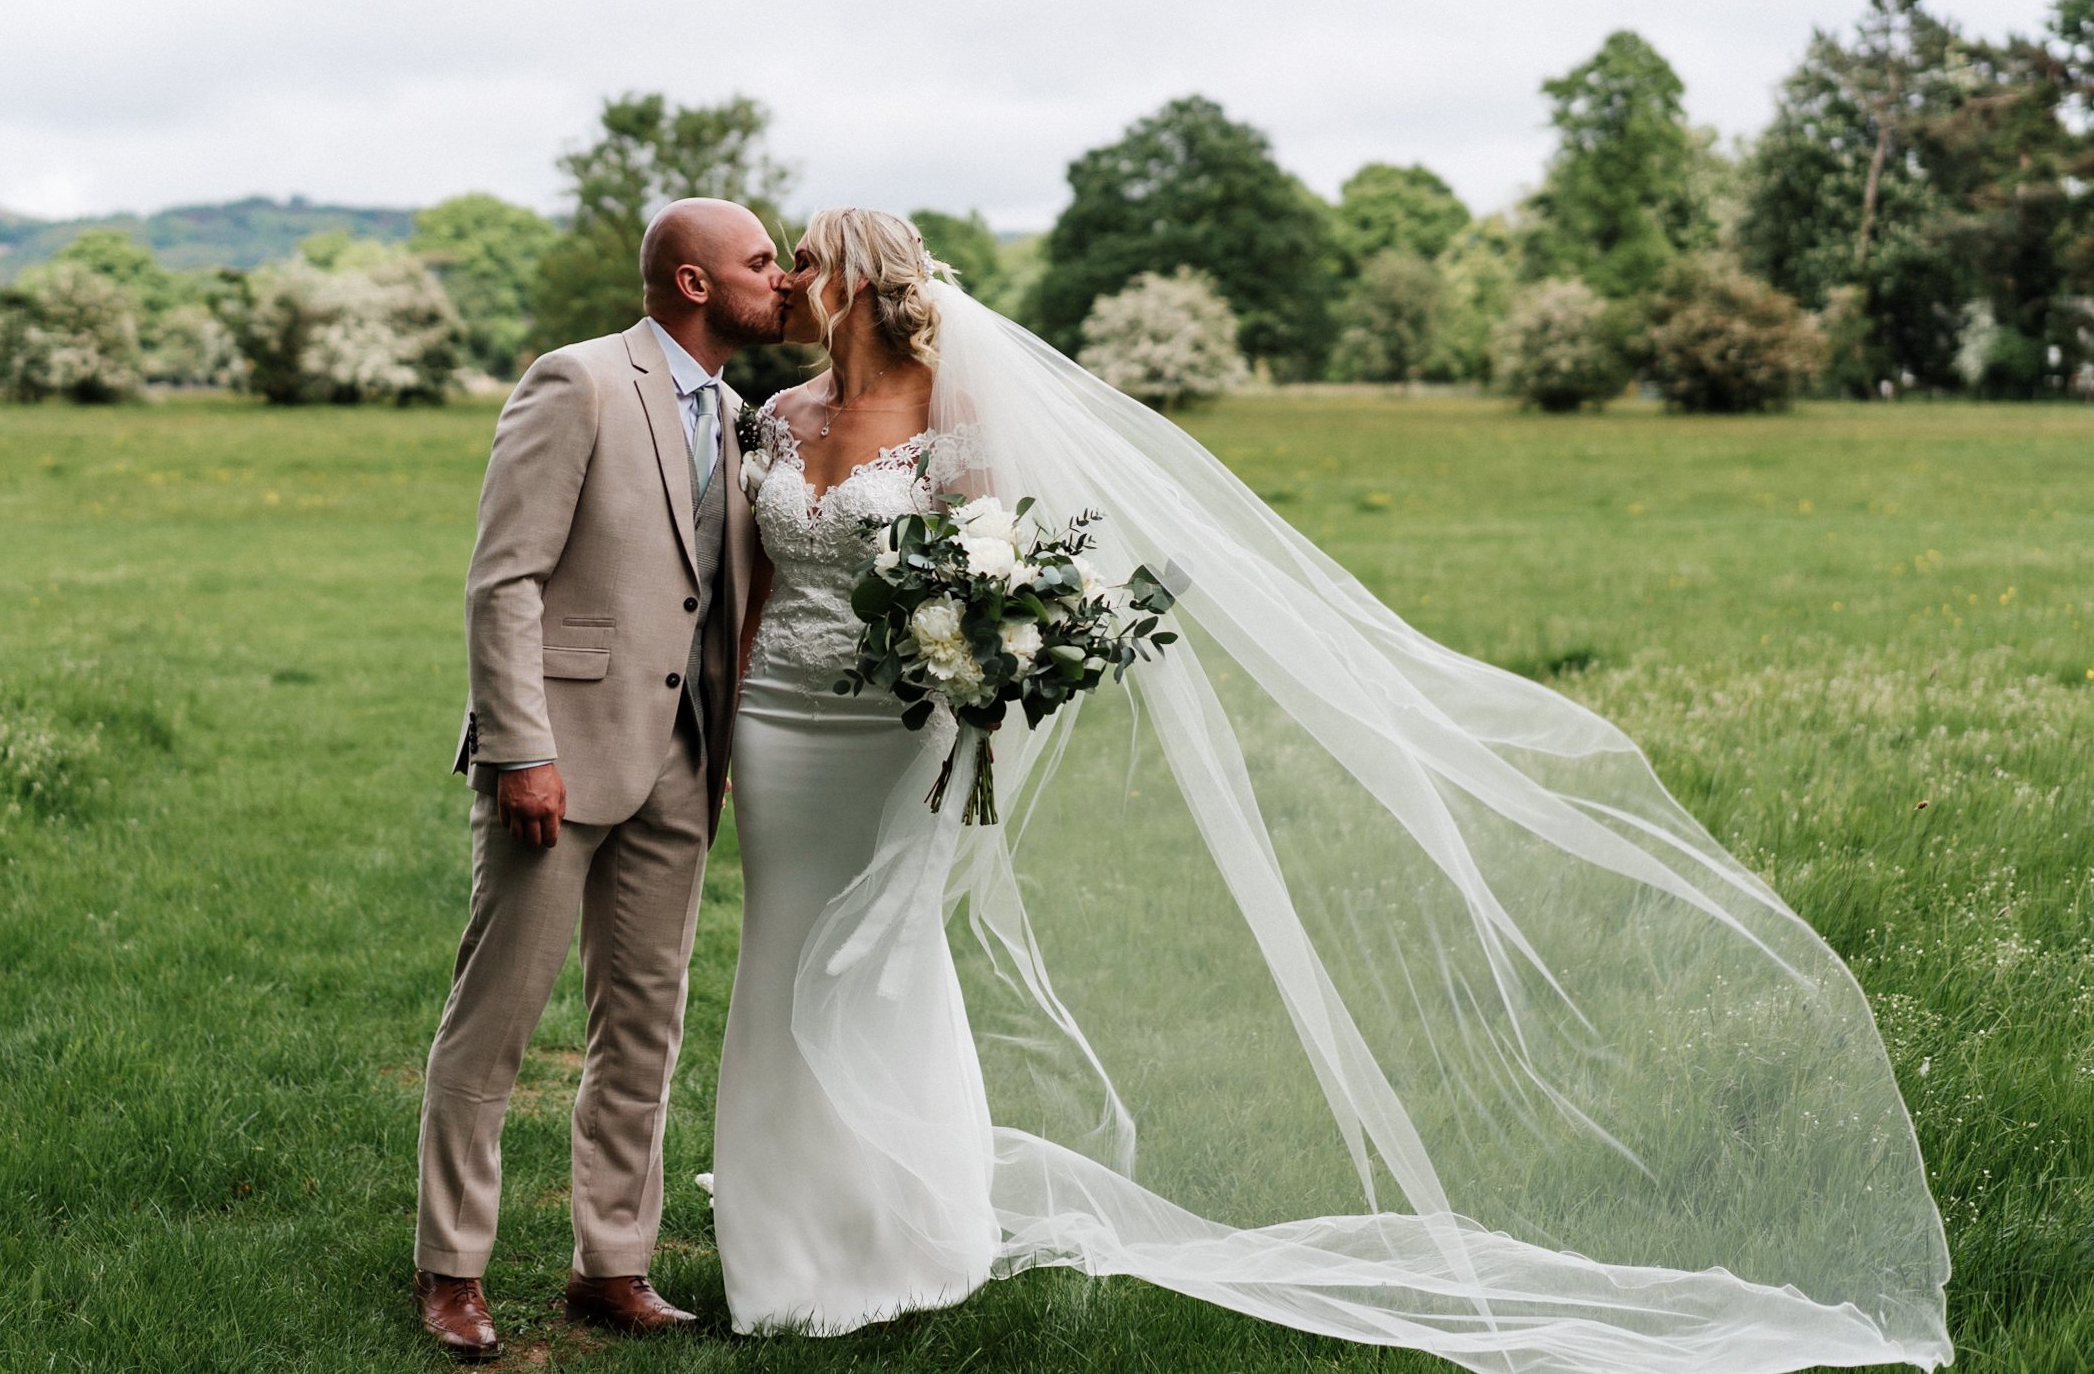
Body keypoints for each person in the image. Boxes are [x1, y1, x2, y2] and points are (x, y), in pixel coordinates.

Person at [712, 207, 1952, 1374]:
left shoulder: (958, 421)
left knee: (886, 953)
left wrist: (971, 705)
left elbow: (993, 587)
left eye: (805, 261)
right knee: (780, 945)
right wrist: (722, 727)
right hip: (776, 721)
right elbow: (759, 584)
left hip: (893, 728)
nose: (786, 283)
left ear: (861, 284)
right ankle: (781, 1241)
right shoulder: (779, 418)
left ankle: (903, 1230)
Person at [417, 197, 784, 1362]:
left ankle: (610, 1263)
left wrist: (722, 751)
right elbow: (504, 579)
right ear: (691, 281)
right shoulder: (574, 382)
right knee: (497, 1022)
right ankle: (451, 1267)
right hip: (558, 759)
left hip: (683, 762)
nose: (781, 280)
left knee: (645, 1024)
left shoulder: (735, 414)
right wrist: (522, 747)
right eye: (760, 262)